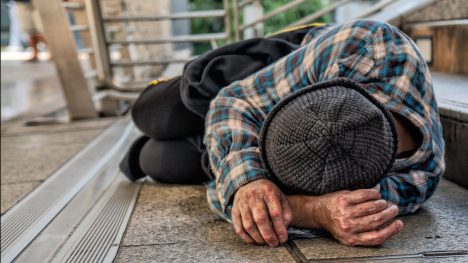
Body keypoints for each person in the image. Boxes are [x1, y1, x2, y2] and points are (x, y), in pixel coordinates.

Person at [121, 20, 445, 248]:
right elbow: (234, 99)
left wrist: (316, 212)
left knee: (157, 160)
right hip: (265, 76)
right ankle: (202, 127)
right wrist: (248, 181)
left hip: (282, 143)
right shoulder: (362, 47)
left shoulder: (416, 180)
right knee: (153, 116)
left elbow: (247, 210)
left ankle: (205, 143)